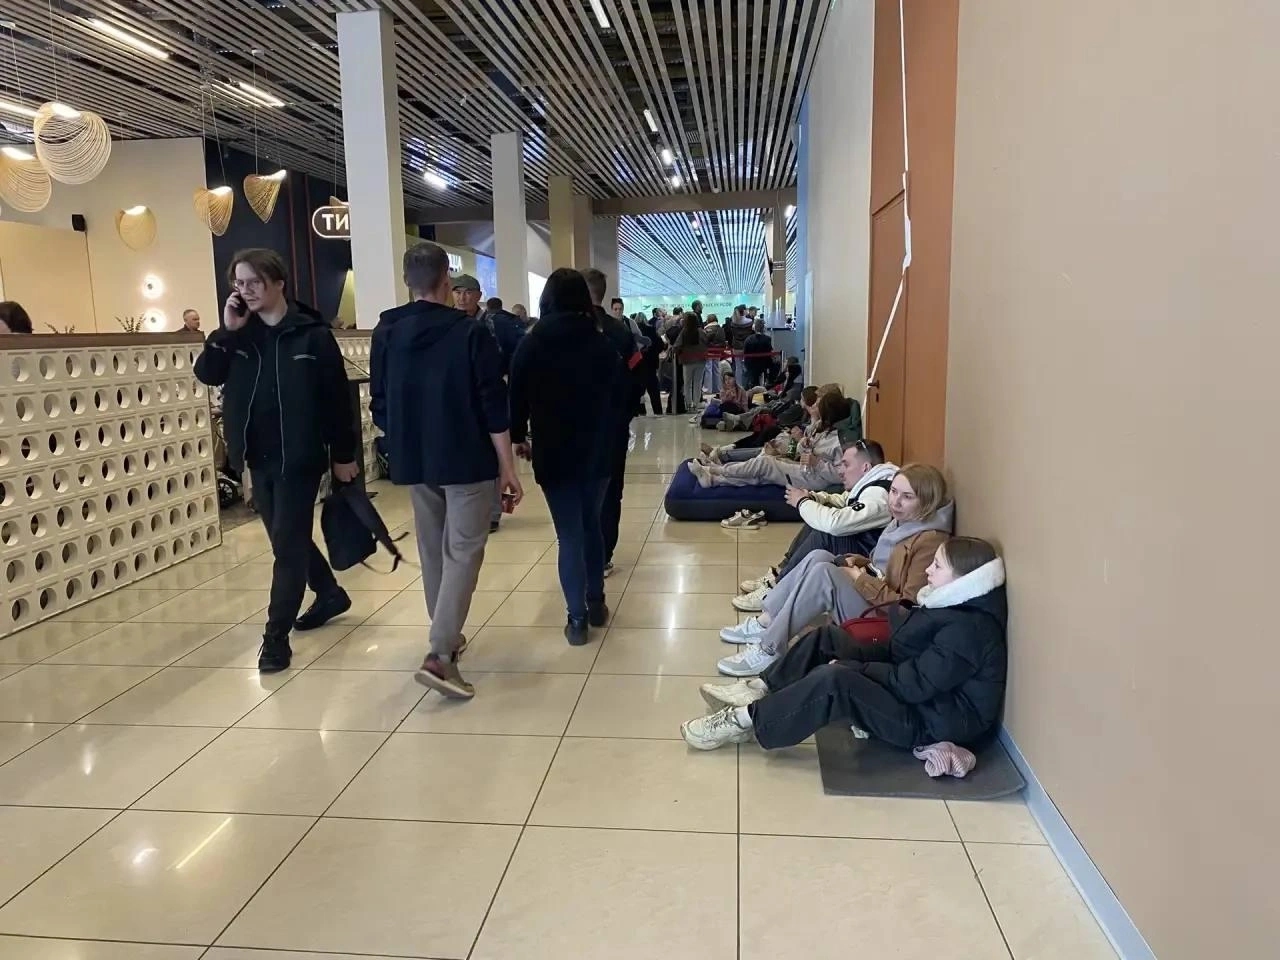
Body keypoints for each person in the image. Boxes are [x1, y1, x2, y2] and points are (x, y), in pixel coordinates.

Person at [193, 248, 358, 673]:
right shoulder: (240, 336)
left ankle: (275, 638)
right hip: (257, 456)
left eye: (253, 282)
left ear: (278, 282)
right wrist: (225, 331)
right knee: (288, 539)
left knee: (286, 547)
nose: (244, 291)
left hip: (299, 457)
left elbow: (338, 400)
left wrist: (344, 457)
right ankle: (330, 593)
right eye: (238, 283)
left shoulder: (312, 335)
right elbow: (207, 374)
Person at [683, 538, 1007, 753]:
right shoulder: (954, 606)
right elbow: (904, 657)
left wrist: (855, 669)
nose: (927, 570)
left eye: (937, 566)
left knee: (835, 681)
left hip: (934, 722)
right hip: (924, 698)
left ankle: (746, 720)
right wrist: (854, 657)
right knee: (829, 638)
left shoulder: (968, 630)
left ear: (963, 580)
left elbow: (912, 686)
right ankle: (758, 688)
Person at [372, 242, 523, 700]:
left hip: (415, 458)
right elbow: (492, 405)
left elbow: (378, 400)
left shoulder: (387, 330)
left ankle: (446, 636)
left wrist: (404, 435)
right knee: (463, 550)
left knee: (433, 548)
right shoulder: (469, 333)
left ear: (407, 281)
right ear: (447, 281)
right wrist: (508, 467)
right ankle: (440, 653)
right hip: (466, 456)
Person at [716, 464, 955, 677]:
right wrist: (859, 562)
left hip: (885, 620)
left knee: (824, 574)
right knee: (819, 556)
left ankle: (769, 649)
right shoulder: (905, 521)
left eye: (907, 497)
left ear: (926, 502)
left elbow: (906, 608)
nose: (895, 502)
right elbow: (883, 566)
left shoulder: (928, 542)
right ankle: (767, 621)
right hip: (873, 595)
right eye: (893, 492)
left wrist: (860, 579)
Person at [509, 269, 628, 644]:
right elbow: (622, 397)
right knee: (591, 523)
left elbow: (516, 397)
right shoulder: (602, 343)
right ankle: (596, 602)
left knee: (569, 535)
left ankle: (576, 620)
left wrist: (518, 436)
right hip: (599, 451)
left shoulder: (532, 344)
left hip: (554, 450)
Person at [734, 440, 898, 612]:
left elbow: (836, 524)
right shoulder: (874, 482)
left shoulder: (879, 496)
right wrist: (814, 498)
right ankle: (780, 574)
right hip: (865, 545)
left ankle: (776, 590)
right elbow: (843, 501)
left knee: (826, 532)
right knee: (819, 517)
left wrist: (803, 502)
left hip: (870, 559)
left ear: (865, 468)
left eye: (846, 465)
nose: (841, 471)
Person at [453, 273, 525, 532]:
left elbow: (515, 355)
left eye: (468, 292)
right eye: (458, 292)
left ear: (478, 296)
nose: (462, 297)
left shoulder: (494, 325)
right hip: (461, 399)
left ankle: (494, 510)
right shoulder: (449, 323)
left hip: (492, 394)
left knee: (495, 450)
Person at [583, 268, 640, 578]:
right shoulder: (619, 331)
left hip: (575, 428)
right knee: (610, 487)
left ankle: (581, 549)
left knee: (579, 489)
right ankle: (603, 553)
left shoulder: (567, 331)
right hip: (612, 425)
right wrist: (626, 409)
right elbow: (638, 372)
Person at [689, 390, 852, 490]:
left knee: (765, 463)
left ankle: (716, 469)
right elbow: (804, 452)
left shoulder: (838, 441)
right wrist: (804, 444)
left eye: (819, 404)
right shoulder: (820, 428)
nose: (814, 407)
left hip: (814, 478)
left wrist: (816, 461)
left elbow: (840, 475)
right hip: (804, 467)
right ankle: (714, 479)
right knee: (760, 471)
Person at [675, 310, 707, 422]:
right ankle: (696, 405)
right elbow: (706, 342)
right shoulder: (701, 332)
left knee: (687, 384)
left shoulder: (684, 332)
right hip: (701, 360)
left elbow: (677, 345)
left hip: (687, 361)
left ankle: (689, 405)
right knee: (697, 384)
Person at [634, 312, 664, 416]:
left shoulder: (634, 332)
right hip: (651, 363)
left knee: (639, 390)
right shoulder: (651, 329)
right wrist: (654, 353)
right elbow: (660, 344)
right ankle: (658, 411)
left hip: (638, 364)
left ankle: (641, 411)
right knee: (654, 389)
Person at [742, 318, 774, 390]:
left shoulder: (748, 339)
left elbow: (745, 353)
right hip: (764, 364)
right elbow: (770, 352)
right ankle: (769, 382)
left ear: (754, 328)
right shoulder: (768, 339)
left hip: (751, 364)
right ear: (763, 328)